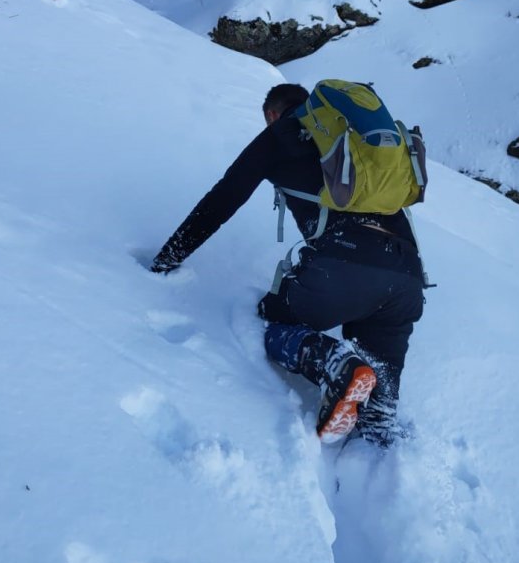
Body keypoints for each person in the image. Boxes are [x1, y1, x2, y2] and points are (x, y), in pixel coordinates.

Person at [150, 83, 425, 445]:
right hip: (406, 277)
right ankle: (380, 449)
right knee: (379, 408)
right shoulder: (354, 144)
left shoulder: (279, 136)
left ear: (272, 115)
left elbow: (222, 200)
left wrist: (168, 258)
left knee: (262, 319)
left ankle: (333, 363)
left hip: (340, 268)